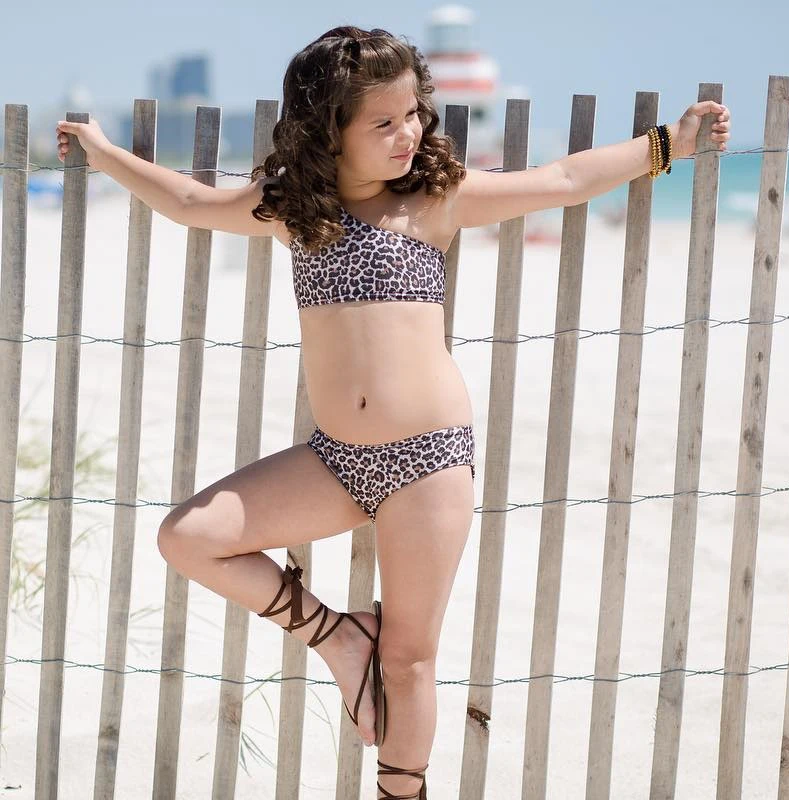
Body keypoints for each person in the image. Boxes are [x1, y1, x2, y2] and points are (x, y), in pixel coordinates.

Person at [55, 25, 731, 799]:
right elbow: (190, 202)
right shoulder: (294, 210)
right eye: (383, 122)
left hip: (428, 461)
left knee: (409, 660)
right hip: (336, 460)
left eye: (412, 113)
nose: (407, 132)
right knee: (189, 537)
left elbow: (566, 178)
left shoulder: (435, 199)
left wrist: (665, 144)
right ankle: (340, 637)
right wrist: (103, 153)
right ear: (329, 130)